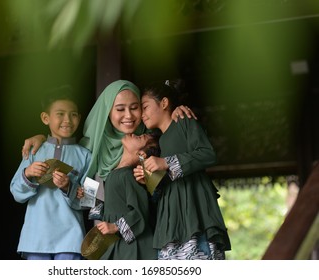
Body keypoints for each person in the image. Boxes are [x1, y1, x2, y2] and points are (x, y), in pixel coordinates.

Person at [21, 80, 196, 203]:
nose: (128, 116)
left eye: (135, 108)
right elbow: (89, 202)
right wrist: (42, 138)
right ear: (107, 112)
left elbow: (160, 190)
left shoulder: (151, 139)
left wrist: (174, 114)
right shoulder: (91, 150)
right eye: (120, 109)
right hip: (114, 231)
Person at [134, 79, 231, 260]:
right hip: (170, 219)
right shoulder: (160, 141)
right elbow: (166, 181)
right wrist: (148, 179)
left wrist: (166, 162)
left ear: (164, 103)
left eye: (144, 107)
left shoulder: (183, 120)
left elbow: (207, 154)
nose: (141, 115)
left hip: (194, 209)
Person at [10, 86, 91, 260]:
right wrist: (28, 173)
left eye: (73, 114)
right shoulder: (34, 151)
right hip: (36, 238)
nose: (67, 120)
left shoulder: (86, 156)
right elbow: (16, 192)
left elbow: (90, 200)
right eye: (60, 114)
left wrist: (68, 186)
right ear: (45, 118)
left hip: (71, 238)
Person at [79, 132, 161, 259]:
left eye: (139, 137)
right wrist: (86, 197)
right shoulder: (114, 174)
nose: (133, 133)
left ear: (141, 154)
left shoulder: (128, 176)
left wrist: (115, 226)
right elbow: (112, 209)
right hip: (118, 243)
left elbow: (140, 211)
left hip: (133, 248)